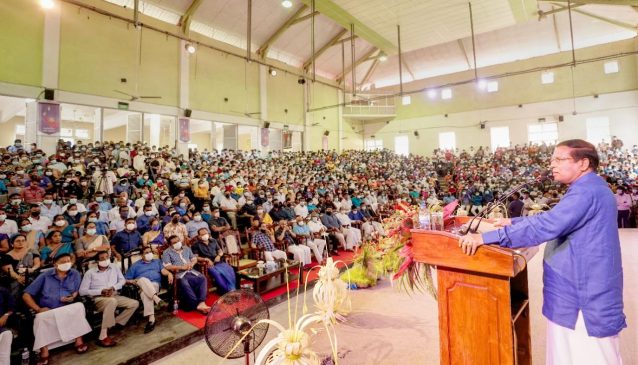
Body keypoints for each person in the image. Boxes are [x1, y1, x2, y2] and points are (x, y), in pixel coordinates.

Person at [459, 139, 625, 365]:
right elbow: (554, 220)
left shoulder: (586, 192)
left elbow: (548, 226)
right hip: (576, 286)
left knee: (586, 355)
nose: (552, 164)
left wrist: (484, 237)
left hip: (583, 294)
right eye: (552, 159)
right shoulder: (587, 188)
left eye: (559, 159)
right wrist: (509, 221)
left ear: (583, 163)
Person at [23, 253, 92, 364]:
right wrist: (38, 309)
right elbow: (26, 295)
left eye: (68, 261)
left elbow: (76, 291)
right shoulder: (45, 276)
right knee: (40, 318)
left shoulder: (74, 273)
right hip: (50, 310)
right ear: (55, 264)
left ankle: (78, 341)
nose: (66, 264)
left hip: (67, 307)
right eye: (63, 262)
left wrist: (72, 297)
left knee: (79, 307)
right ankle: (44, 351)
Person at [79, 251, 139, 347]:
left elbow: (122, 280)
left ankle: (113, 323)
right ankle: (102, 336)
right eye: (102, 258)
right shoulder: (90, 273)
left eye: (107, 257)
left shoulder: (114, 267)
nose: (105, 260)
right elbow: (82, 291)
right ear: (97, 261)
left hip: (113, 295)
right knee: (112, 301)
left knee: (134, 303)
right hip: (98, 299)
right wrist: (100, 291)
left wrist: (114, 288)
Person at [124, 246, 171, 333]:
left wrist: (169, 274)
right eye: (146, 252)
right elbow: (126, 279)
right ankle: (157, 301)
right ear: (141, 255)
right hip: (140, 285)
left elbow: (163, 270)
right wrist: (133, 281)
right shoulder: (135, 265)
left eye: (150, 252)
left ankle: (151, 319)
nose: (149, 254)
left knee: (144, 294)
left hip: (154, 285)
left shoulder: (157, 261)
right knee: (142, 279)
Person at [161, 235, 210, 314]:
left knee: (202, 278)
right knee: (184, 282)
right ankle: (196, 304)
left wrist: (191, 264)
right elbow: (167, 266)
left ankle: (201, 302)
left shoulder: (186, 248)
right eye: (174, 242)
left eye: (178, 241)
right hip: (178, 273)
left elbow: (194, 259)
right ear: (170, 245)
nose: (177, 243)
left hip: (190, 270)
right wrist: (181, 267)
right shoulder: (167, 252)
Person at [191, 228, 236, 295]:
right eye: (202, 234)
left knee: (230, 269)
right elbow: (195, 257)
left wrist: (219, 256)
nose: (205, 235)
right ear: (199, 236)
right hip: (207, 264)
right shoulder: (196, 245)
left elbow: (220, 251)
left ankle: (231, 289)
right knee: (217, 274)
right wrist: (206, 259)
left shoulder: (213, 241)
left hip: (218, 261)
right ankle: (228, 291)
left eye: (206, 233)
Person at [0, 287, 14, 365]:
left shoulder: (2, 291)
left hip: (1, 327)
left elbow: (11, 308)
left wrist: (6, 315)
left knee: (7, 334)